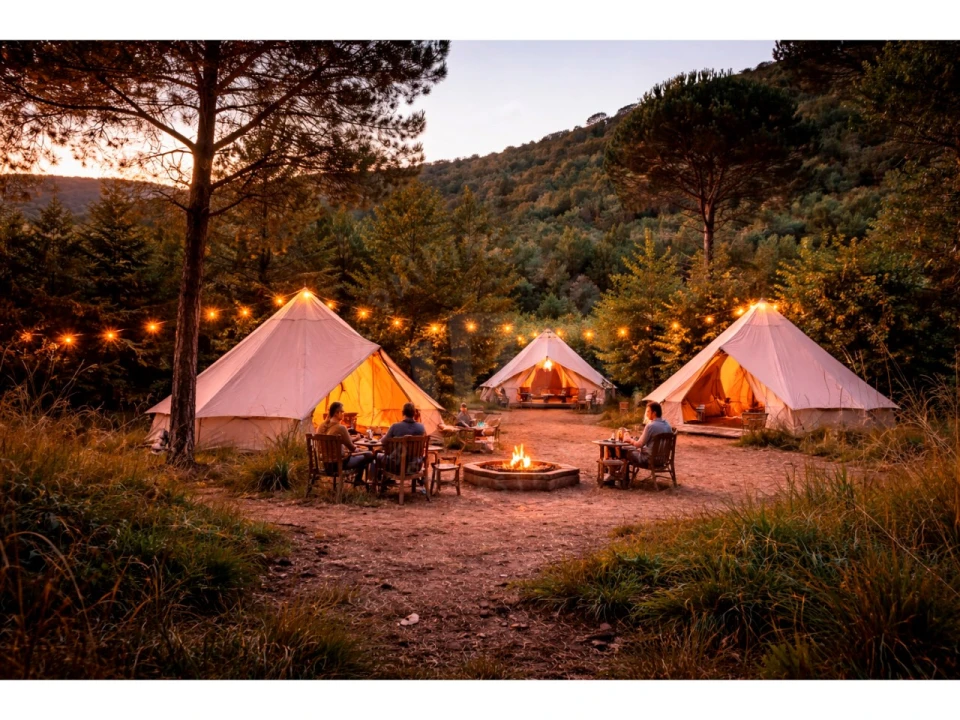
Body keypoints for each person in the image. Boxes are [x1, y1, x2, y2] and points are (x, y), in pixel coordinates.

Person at [315, 402, 373, 485]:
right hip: (339, 465)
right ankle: (358, 479)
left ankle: (358, 479)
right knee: (369, 455)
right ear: (336, 413)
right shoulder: (341, 428)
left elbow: (342, 441)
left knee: (361, 453)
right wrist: (362, 450)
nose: (343, 414)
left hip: (326, 464)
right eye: (342, 412)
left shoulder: (321, 427)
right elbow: (352, 448)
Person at [377, 403, 428, 488]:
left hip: (396, 467)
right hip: (414, 466)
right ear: (414, 413)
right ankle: (387, 481)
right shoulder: (421, 427)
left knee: (377, 455)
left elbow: (383, 442)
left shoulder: (395, 427)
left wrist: (382, 438)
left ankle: (380, 483)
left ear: (403, 413)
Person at [624, 401, 672, 470]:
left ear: (654, 413)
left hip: (649, 460)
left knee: (626, 452)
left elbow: (639, 444)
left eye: (648, 412)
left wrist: (630, 440)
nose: (646, 414)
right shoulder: (668, 425)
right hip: (663, 460)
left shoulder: (650, 426)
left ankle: (622, 476)